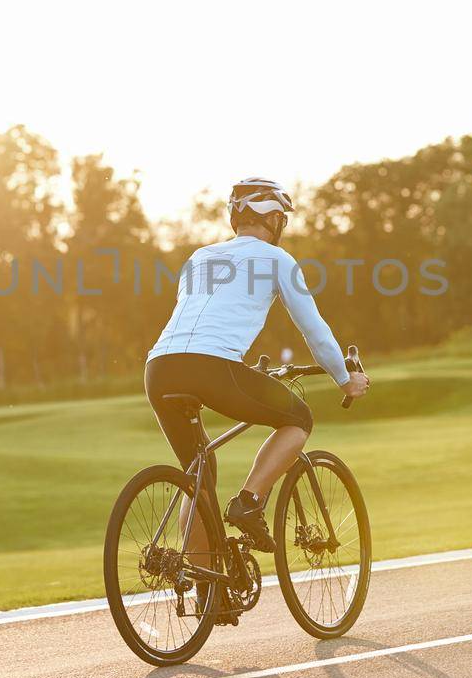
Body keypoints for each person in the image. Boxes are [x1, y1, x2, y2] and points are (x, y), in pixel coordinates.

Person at [145, 177, 370, 556]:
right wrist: (345, 379)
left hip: (159, 367)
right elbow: (314, 332)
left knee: (198, 478)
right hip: (210, 367)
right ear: (274, 219)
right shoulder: (277, 259)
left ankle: (206, 588)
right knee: (298, 419)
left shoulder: (198, 257)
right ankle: (249, 502)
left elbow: (205, 319)